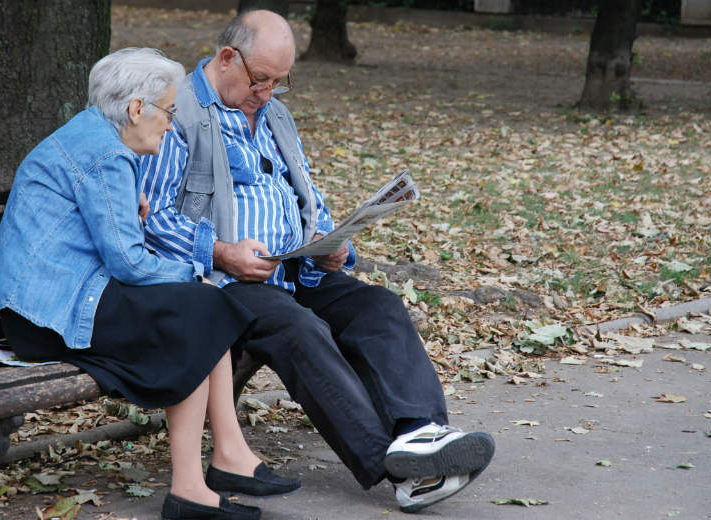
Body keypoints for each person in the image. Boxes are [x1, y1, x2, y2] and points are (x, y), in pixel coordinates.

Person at [139, 10, 496, 514]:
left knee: (378, 307)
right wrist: (222, 252)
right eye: (260, 81)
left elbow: (305, 194)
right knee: (299, 329)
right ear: (226, 59)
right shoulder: (181, 114)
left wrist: (333, 243)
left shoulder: (274, 114)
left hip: (295, 269)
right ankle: (395, 469)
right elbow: (151, 220)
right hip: (224, 283)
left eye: (279, 83)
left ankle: (422, 435)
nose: (267, 94)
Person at [0, 47, 300, 520]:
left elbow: (101, 238)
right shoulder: (106, 153)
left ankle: (226, 457)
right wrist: (196, 273)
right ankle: (192, 488)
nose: (170, 123)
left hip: (56, 298)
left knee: (204, 309)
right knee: (201, 306)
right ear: (136, 108)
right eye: (167, 110)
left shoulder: (95, 136)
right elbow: (129, 264)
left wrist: (135, 219)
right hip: (48, 315)